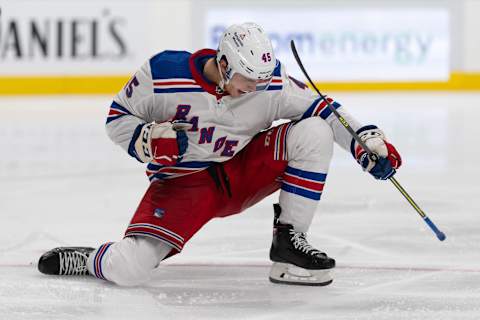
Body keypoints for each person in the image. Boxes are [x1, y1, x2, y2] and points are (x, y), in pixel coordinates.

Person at [37, 22, 401, 286]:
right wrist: (147, 139)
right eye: (247, 79)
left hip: (242, 172)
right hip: (184, 183)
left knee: (314, 131)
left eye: (261, 79)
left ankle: (289, 242)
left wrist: (363, 140)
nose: (255, 88)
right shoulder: (163, 74)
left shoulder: (268, 82)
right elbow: (116, 119)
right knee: (129, 270)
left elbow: (323, 108)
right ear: (224, 64)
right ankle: (90, 259)